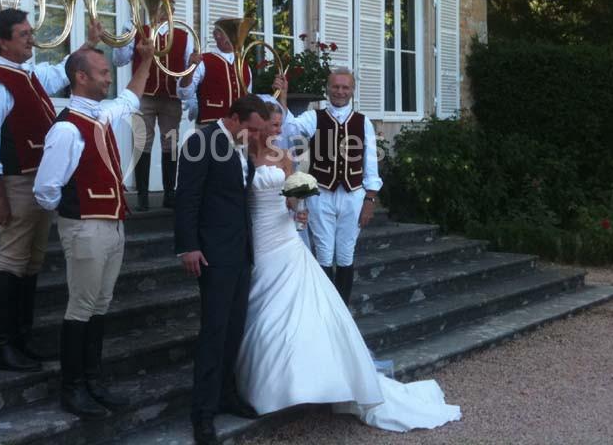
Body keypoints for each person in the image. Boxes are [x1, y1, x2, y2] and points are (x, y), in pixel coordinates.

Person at [234, 109, 461, 432]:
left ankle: (305, 382)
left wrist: (298, 209)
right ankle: (274, 383)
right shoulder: (240, 157)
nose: (271, 130)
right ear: (251, 126)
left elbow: (290, 200)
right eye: (267, 125)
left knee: (294, 308)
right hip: (256, 236)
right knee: (262, 306)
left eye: (275, 125)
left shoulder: (284, 156)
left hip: (284, 238)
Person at [0, 9, 97, 372]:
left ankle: (22, 335)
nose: (31, 38)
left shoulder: (28, 75)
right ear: (2, 41)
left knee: (32, 260)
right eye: (23, 34)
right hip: (16, 182)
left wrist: (91, 44)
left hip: (37, 182)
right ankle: (3, 342)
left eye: (30, 32)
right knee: (11, 260)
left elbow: (60, 73)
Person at [33, 39, 154, 418]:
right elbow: (45, 189)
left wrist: (147, 60)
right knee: (82, 306)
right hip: (86, 226)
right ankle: (73, 387)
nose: (108, 78)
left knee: (99, 305)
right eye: (103, 73)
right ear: (80, 77)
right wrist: (76, 214)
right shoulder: (68, 128)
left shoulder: (98, 115)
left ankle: (92, 379)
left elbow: (132, 98)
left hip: (111, 225)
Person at [175, 95, 270, 445]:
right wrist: (188, 245)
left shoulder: (240, 145)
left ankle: (227, 394)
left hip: (240, 252)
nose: (256, 136)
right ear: (233, 117)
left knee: (234, 329)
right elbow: (188, 196)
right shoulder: (202, 141)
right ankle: (202, 412)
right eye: (252, 129)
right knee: (213, 331)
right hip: (213, 253)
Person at [277, 68, 381, 304]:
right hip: (321, 194)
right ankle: (324, 307)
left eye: (345, 87)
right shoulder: (315, 117)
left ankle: (341, 309)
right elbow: (289, 127)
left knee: (345, 254)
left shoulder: (363, 123)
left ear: (353, 91)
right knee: (323, 253)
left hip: (353, 195)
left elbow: (371, 165)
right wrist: (283, 96)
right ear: (327, 89)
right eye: (336, 87)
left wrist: (370, 200)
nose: (340, 92)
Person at [113, 0, 190, 210]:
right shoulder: (139, 30)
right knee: (142, 143)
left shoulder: (183, 36)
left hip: (171, 97)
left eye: (168, 10)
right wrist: (125, 34)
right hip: (144, 94)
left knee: (171, 144)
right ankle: (143, 196)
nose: (165, 14)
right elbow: (119, 60)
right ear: (152, 10)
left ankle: (169, 193)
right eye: (160, 9)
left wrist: (189, 96)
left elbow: (187, 70)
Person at [176, 19, 252, 126]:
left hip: (239, 129)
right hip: (210, 127)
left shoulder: (245, 66)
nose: (235, 37)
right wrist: (190, 70)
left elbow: (248, 99)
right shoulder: (203, 61)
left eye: (237, 33)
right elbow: (183, 94)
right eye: (230, 32)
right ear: (217, 35)